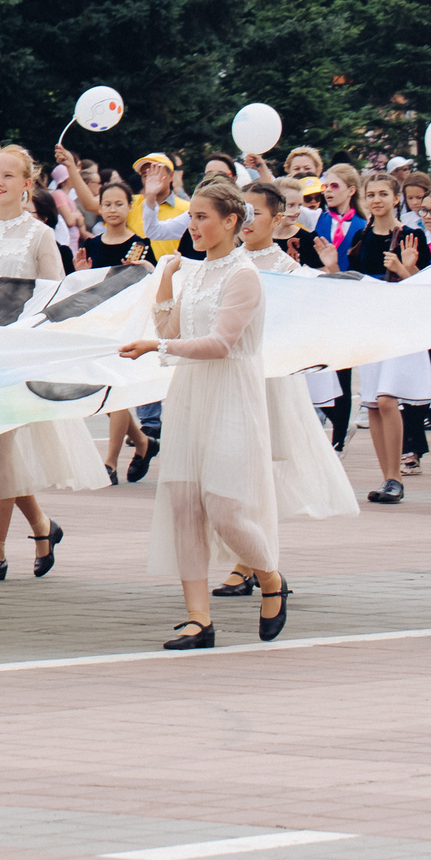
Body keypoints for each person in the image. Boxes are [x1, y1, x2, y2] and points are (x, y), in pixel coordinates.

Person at [118, 180, 288, 649]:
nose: (192, 226)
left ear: (231, 222)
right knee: (185, 504)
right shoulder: (194, 272)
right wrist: (168, 280)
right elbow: (171, 330)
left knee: (225, 506)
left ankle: (271, 578)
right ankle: (198, 619)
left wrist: (158, 344)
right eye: (190, 216)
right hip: (191, 394)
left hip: (231, 393)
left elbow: (219, 345)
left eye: (201, 217)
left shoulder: (244, 274)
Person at [0, 146, 104, 583]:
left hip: (18, 356)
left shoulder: (38, 236)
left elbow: (53, 296)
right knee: (2, 453)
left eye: (8, 176)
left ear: (27, 184)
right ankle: (40, 527)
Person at [210, 182, 355, 599]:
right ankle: (252, 560)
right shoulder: (225, 262)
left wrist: (326, 274)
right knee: (230, 469)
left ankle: (252, 564)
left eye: (258, 213)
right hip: (228, 377)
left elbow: (312, 316)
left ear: (278, 220)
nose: (249, 221)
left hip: (270, 381)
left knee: (262, 469)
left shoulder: (287, 269)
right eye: (243, 211)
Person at [329, 171, 429, 505]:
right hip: (368, 325)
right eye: (371, 194)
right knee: (372, 401)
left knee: (388, 399)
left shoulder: (411, 235)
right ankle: (387, 477)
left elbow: (425, 287)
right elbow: (347, 281)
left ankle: (397, 476)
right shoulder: (362, 236)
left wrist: (404, 270)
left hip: (399, 326)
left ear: (396, 197)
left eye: (384, 193)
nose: (377, 199)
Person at [78, 180, 156, 482]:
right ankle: (142, 442)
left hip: (127, 323)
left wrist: (143, 269)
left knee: (118, 388)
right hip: (99, 322)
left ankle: (109, 462)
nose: (112, 209)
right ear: (99, 207)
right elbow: (84, 287)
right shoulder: (93, 245)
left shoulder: (140, 244)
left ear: (129, 206)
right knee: (100, 388)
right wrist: (82, 275)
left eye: (118, 203)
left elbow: (148, 285)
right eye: (107, 204)